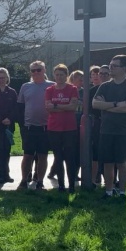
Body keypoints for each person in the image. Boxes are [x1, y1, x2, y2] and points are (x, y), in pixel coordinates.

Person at [92, 55, 126, 199]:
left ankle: (122, 192)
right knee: (108, 163)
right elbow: (95, 104)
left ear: (124, 68)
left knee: (122, 163)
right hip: (106, 130)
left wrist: (107, 106)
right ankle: (109, 191)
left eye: (114, 66)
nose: (110, 68)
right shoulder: (104, 86)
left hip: (124, 132)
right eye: (110, 65)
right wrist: (117, 104)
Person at [45, 64, 80, 194]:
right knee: (58, 157)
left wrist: (56, 105)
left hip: (69, 128)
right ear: (54, 75)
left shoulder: (72, 89)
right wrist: (63, 105)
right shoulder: (49, 90)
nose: (59, 77)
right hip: (53, 128)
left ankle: (71, 185)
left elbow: (73, 107)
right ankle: (61, 184)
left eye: (62, 74)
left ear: (66, 75)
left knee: (70, 157)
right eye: (57, 74)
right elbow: (48, 107)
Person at [17, 61, 51, 190]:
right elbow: (20, 106)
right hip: (29, 127)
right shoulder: (25, 86)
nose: (36, 72)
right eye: (33, 70)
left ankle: (40, 181)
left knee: (43, 155)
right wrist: (22, 124)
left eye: (39, 70)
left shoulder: (52, 86)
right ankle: (24, 180)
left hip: (45, 127)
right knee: (27, 155)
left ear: (44, 70)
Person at [0, 68, 17, 187]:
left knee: (6, 151)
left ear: (7, 78)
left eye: (4, 77)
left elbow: (15, 108)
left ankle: (6, 174)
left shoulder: (12, 92)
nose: (2, 80)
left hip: (9, 126)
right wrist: (1, 119)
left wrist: (10, 119)